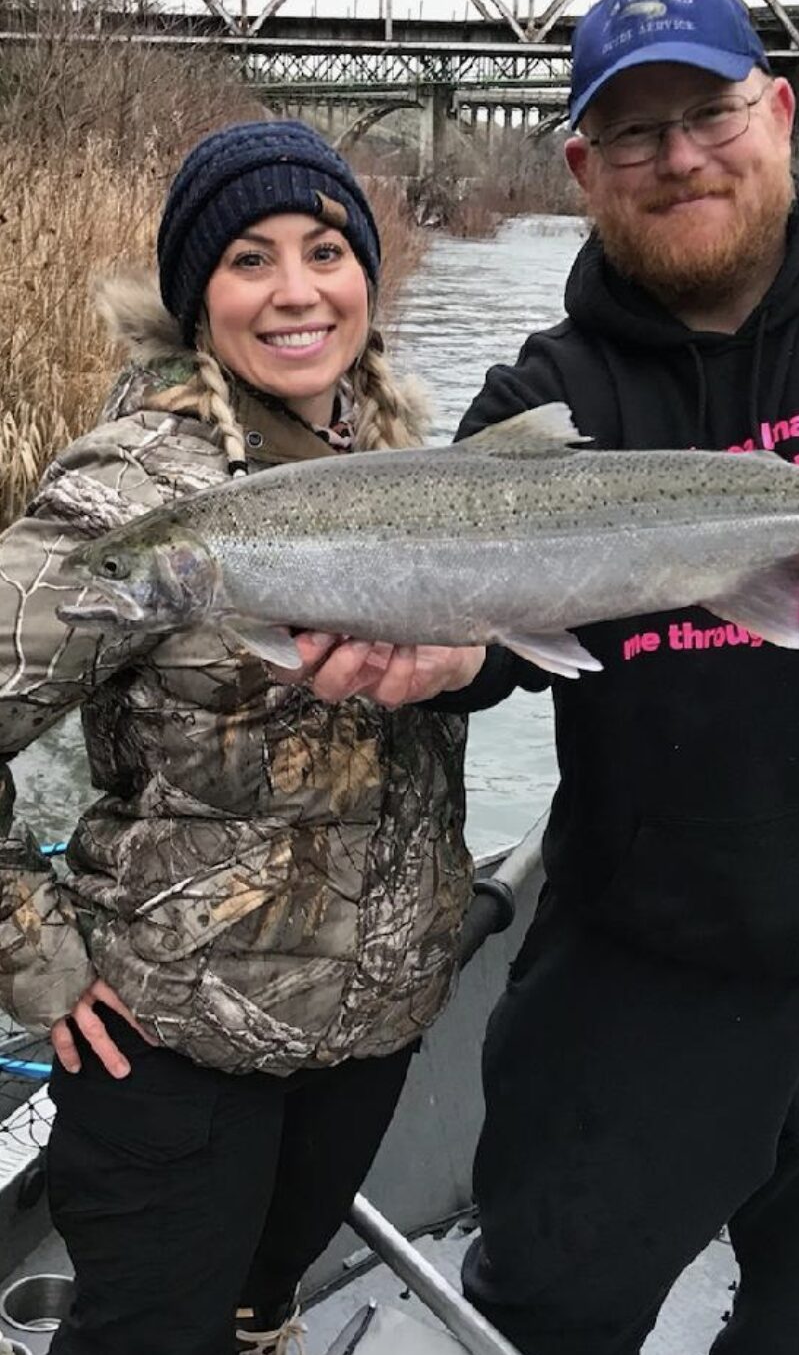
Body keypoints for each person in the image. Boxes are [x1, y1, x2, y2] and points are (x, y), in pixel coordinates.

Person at [301, 0, 799, 1354]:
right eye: (638, 136)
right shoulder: (541, 403)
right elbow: (502, 646)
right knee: (551, 1310)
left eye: (711, 113)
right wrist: (443, 668)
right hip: (644, 965)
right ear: (584, 168)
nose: (682, 159)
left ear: (779, 112)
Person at [0, 119, 479, 1355]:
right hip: (175, 1052)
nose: (296, 291)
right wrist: (31, 945)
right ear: (195, 295)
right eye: (248, 260)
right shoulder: (130, 492)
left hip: (368, 1037)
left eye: (325, 249)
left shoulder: (396, 464)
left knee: (264, 1315)